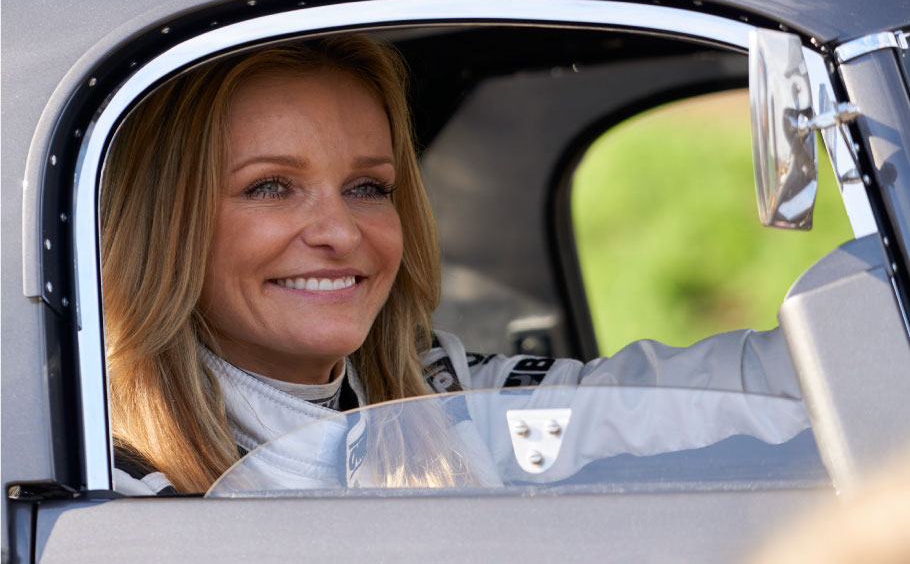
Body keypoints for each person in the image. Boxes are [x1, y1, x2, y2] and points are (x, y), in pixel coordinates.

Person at [101, 34, 806, 496]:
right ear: (166, 224)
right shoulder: (116, 488)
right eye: (270, 187)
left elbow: (675, 400)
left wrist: (850, 325)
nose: (340, 231)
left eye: (368, 187)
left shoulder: (443, 397)